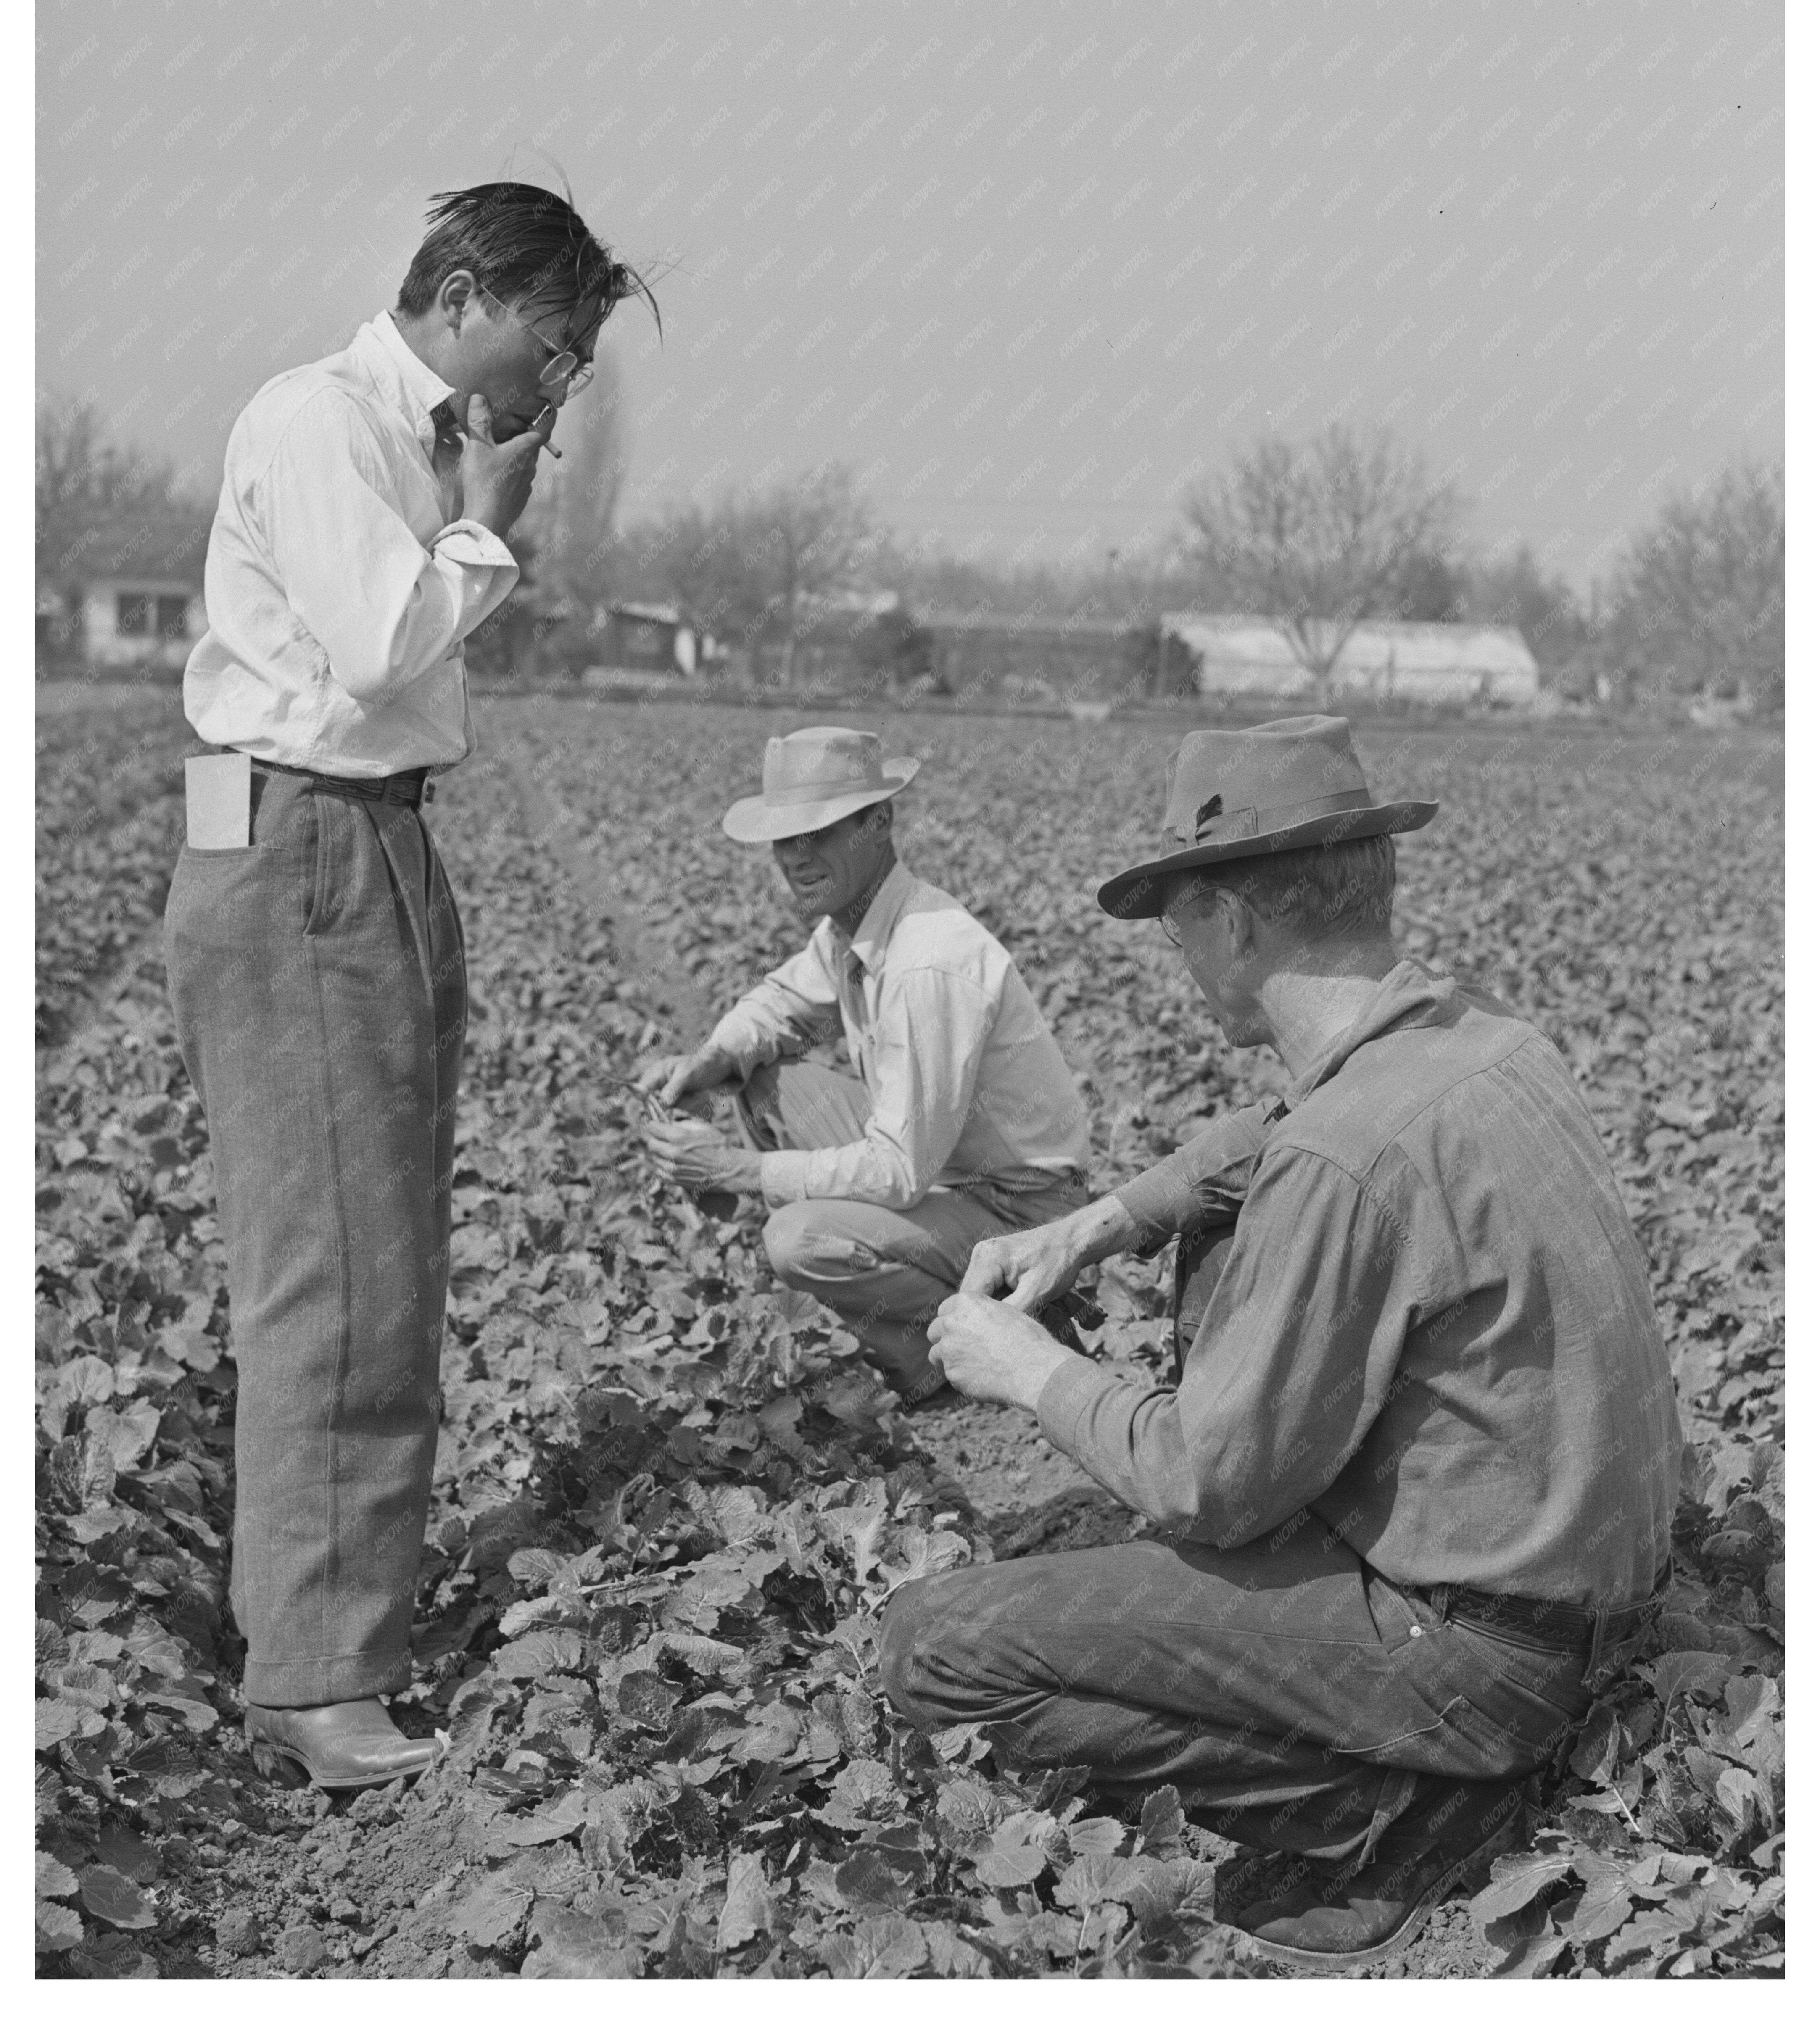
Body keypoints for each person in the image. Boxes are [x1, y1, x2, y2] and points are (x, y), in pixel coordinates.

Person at [879, 715, 1682, 1971]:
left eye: (1179, 922)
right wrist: (1098, 1224)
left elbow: (1209, 1484)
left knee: (934, 1647)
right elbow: (1265, 1132)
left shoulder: (1342, 1161)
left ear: (1237, 924)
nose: (1176, 954)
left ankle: (1380, 1803)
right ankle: (1420, 1747)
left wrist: (1023, 1364)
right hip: (1588, 1603)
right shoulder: (1481, 1043)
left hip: (1475, 1652)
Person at [164, 182, 654, 1790]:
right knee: (341, 1265)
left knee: (377, 1246)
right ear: (462, 293)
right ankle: (315, 1675)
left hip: (360, 843)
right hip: (304, 845)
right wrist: (489, 516)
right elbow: (381, 645)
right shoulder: (324, 421)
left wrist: (478, 506)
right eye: (556, 338)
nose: (561, 378)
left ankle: (327, 1629)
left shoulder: (409, 438)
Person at [638, 726, 1092, 1405]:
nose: (796, 856)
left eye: (818, 833)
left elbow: (899, 1169)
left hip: (1018, 1209)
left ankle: (940, 1358)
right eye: (784, 838)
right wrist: (710, 1059)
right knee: (763, 1080)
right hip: (948, 1174)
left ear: (879, 823)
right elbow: (785, 1001)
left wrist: (738, 1170)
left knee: (798, 1237)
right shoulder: (856, 923)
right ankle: (923, 1307)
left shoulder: (927, 959)